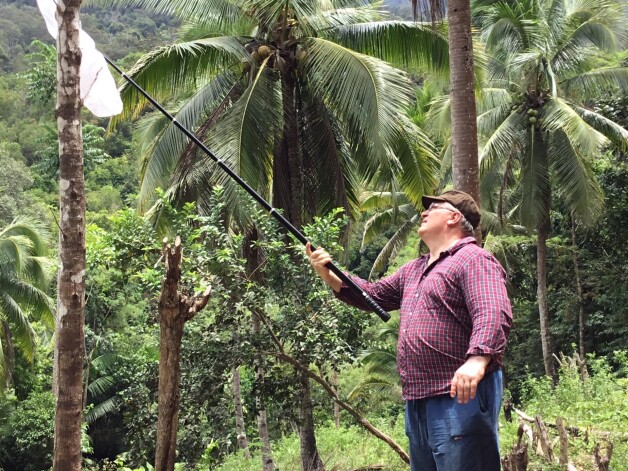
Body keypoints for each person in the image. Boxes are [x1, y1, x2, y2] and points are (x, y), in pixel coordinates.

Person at [306, 190, 512, 471]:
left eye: (433, 208)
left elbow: (492, 309)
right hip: (417, 399)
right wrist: (327, 273)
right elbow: (372, 294)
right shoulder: (414, 269)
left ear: (454, 217)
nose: (424, 213)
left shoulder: (473, 259)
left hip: (459, 395)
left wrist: (477, 359)